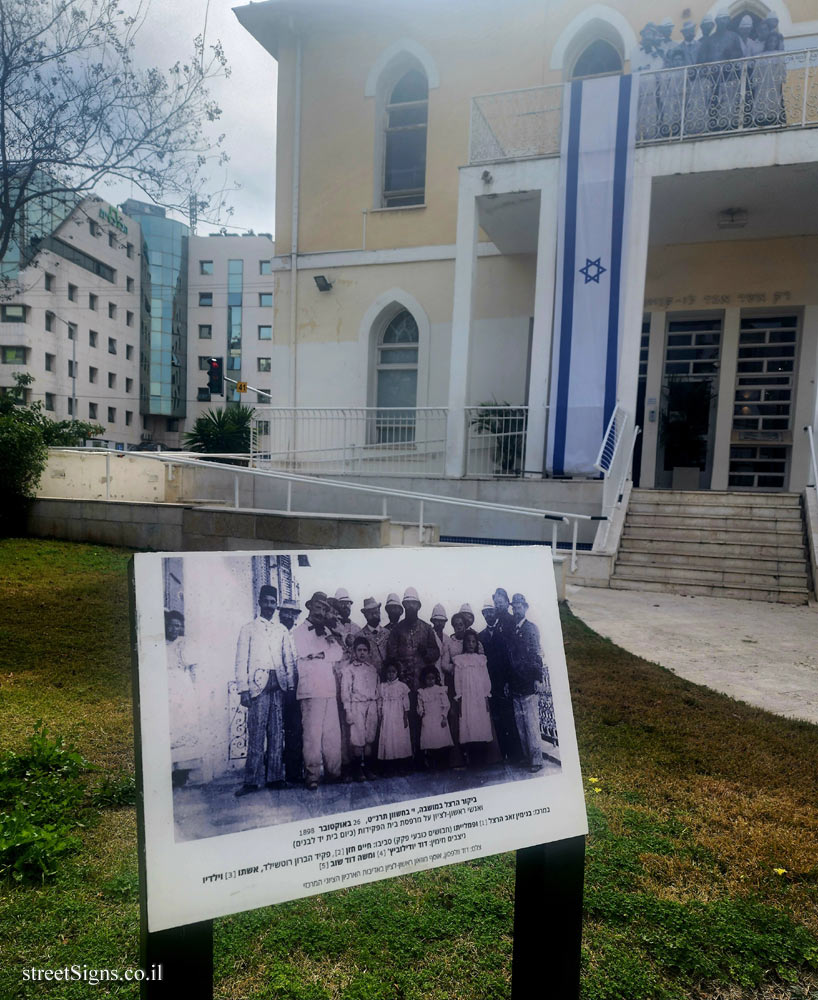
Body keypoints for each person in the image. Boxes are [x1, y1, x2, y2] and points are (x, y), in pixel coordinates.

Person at [234, 585, 296, 796]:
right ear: (259, 602)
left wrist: (289, 685)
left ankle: (275, 778)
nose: (269, 606)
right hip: (258, 689)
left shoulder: (282, 630)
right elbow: (241, 660)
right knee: (256, 734)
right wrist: (243, 689)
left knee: (277, 734)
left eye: (273, 602)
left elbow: (288, 659)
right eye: (266, 601)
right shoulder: (248, 629)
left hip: (277, 687)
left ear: (276, 605)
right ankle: (251, 781)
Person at [293, 591, 345, 791]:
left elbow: (338, 653)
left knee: (332, 734)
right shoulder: (299, 632)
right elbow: (303, 652)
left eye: (324, 608)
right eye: (318, 607)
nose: (320, 611)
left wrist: (321, 654)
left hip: (328, 689)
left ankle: (334, 772)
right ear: (310, 607)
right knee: (312, 735)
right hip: (310, 690)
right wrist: (325, 654)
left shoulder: (327, 633)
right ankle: (312, 775)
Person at [386, 587, 440, 757]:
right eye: (407, 604)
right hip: (404, 684)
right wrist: (401, 671)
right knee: (406, 719)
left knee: (425, 718)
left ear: (418, 606)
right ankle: (409, 756)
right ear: (404, 606)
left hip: (424, 683)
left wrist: (426, 652)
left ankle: (426, 755)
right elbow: (391, 654)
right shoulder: (397, 630)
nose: (410, 607)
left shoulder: (426, 628)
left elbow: (436, 652)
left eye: (413, 604)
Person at [506, 593, 545, 773]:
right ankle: (526, 757)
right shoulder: (512, 630)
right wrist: (508, 681)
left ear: (525, 607)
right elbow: (509, 658)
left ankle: (536, 759)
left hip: (529, 683)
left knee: (531, 723)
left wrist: (537, 678)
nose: (516, 610)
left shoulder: (531, 629)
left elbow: (537, 654)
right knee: (520, 725)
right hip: (515, 684)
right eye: (514, 607)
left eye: (519, 606)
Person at [479, 597, 520, 763]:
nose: (489, 615)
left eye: (491, 611)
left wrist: (508, 681)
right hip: (489, 683)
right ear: (483, 615)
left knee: (508, 717)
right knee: (495, 719)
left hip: (504, 682)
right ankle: (502, 754)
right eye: (485, 612)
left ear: (495, 613)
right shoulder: (480, 635)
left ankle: (515, 755)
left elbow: (508, 658)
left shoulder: (503, 632)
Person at [165, 611, 201, 788]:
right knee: (169, 726)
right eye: (171, 625)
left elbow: (193, 668)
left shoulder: (183, 644)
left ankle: (182, 771)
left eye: (178, 626)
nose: (174, 629)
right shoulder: (160, 644)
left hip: (182, 687)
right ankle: (169, 770)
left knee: (183, 725)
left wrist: (191, 689)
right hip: (165, 686)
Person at [341, 636, 380, 781]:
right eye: (359, 650)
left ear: (369, 652)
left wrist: (377, 707)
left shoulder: (372, 669)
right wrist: (348, 711)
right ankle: (357, 770)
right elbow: (345, 692)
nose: (362, 653)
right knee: (357, 739)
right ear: (354, 651)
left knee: (370, 738)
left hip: (371, 705)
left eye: (365, 650)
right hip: (356, 705)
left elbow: (377, 689)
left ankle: (367, 768)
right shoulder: (348, 670)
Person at [453, 630, 493, 765]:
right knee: (469, 724)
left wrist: (486, 696)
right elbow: (457, 681)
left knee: (481, 724)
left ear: (477, 643)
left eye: (473, 641)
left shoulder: (481, 659)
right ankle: (471, 757)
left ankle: (482, 757)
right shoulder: (459, 660)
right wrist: (459, 697)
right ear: (464, 643)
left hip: (479, 697)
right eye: (468, 641)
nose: (471, 644)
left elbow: (485, 678)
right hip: (467, 698)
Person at [279, 598, 304, 783]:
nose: (289, 616)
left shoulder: (298, 635)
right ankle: (274, 772)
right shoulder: (274, 632)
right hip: (277, 688)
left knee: (295, 729)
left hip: (295, 689)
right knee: (276, 732)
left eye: (292, 613)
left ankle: (294, 773)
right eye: (285, 612)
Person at [377, 658, 412, 773]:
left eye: (393, 672)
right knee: (388, 738)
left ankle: (401, 765)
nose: (391, 674)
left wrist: (405, 716)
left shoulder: (402, 686)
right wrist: (380, 714)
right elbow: (380, 702)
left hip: (398, 715)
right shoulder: (382, 686)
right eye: (389, 672)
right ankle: (389, 765)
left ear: (397, 673)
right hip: (387, 715)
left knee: (399, 738)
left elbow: (406, 702)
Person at [417, 665, 453, 768]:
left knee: (441, 739)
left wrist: (444, 717)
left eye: (432, 678)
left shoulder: (440, 690)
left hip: (439, 717)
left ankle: (443, 763)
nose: (430, 681)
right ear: (424, 679)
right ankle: (432, 763)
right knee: (430, 740)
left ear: (436, 678)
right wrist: (421, 712)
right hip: (428, 718)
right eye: (428, 678)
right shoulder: (422, 692)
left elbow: (446, 705)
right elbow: (419, 706)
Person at [358, 596, 390, 672]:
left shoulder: (387, 633)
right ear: (365, 615)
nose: (374, 615)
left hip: (387, 679)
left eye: (376, 612)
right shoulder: (359, 636)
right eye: (370, 613)